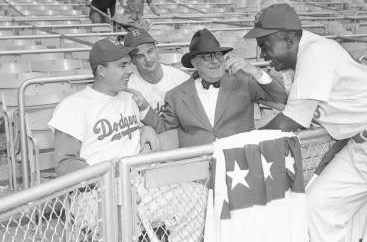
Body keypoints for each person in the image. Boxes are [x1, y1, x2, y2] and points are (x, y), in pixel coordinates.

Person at [244, 3, 367, 241]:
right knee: (317, 208)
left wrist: (239, 143)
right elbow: (292, 105)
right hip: (362, 144)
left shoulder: (315, 53)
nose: (263, 54)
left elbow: (290, 120)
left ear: (289, 40)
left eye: (265, 46)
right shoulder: (296, 64)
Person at [49, 38, 206, 242]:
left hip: (139, 185)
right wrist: (110, 180)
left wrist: (146, 128)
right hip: (95, 194)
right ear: (101, 70)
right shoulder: (74, 106)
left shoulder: (128, 98)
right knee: (123, 218)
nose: (130, 70)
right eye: (122, 65)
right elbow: (65, 164)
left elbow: (128, 133)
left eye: (129, 64)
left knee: (197, 195)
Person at [129, 28, 287, 148]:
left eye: (218, 55)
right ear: (194, 63)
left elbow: (280, 98)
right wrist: (143, 107)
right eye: (207, 57)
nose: (215, 61)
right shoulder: (176, 95)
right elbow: (164, 129)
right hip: (199, 170)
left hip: (242, 164)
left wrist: (256, 71)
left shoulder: (243, 81)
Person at [124, 28, 189, 116]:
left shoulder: (181, 79)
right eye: (140, 56)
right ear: (131, 60)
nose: (148, 59)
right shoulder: (127, 86)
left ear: (156, 49)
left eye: (150, 51)